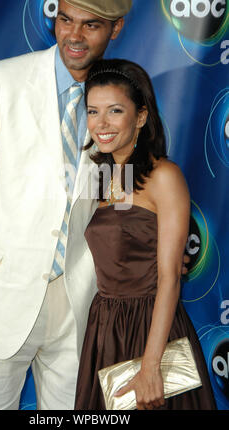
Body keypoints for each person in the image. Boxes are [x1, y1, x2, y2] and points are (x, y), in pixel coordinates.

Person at [0, 0, 189, 410]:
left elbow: (120, 200)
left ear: (116, 29)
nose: (74, 35)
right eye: (65, 18)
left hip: (84, 309)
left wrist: (160, 248)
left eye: (91, 24)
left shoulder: (116, 103)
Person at [74, 58, 217, 410]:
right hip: (104, 330)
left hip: (150, 327)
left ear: (140, 117)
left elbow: (169, 278)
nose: (101, 124)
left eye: (114, 111)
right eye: (93, 111)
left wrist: (151, 365)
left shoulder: (164, 175)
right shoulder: (100, 176)